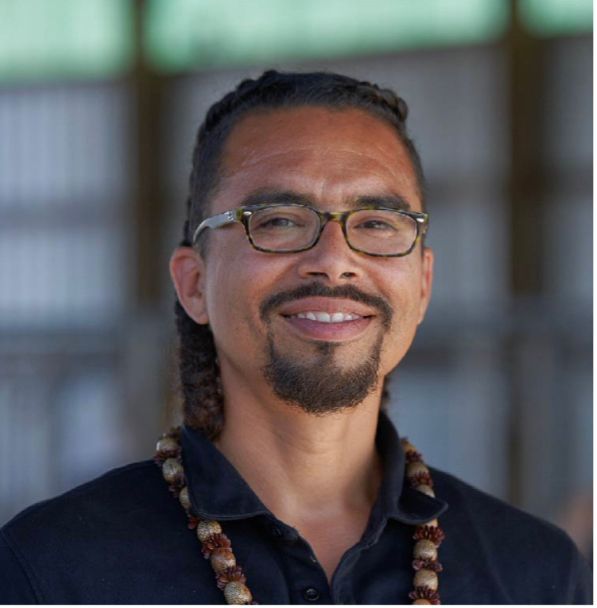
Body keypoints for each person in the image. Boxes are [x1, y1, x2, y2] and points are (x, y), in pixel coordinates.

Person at [0, 70, 591, 605]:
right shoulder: (49, 571)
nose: (334, 261)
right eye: (279, 221)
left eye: (377, 224)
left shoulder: (537, 575)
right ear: (194, 283)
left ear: (423, 284)